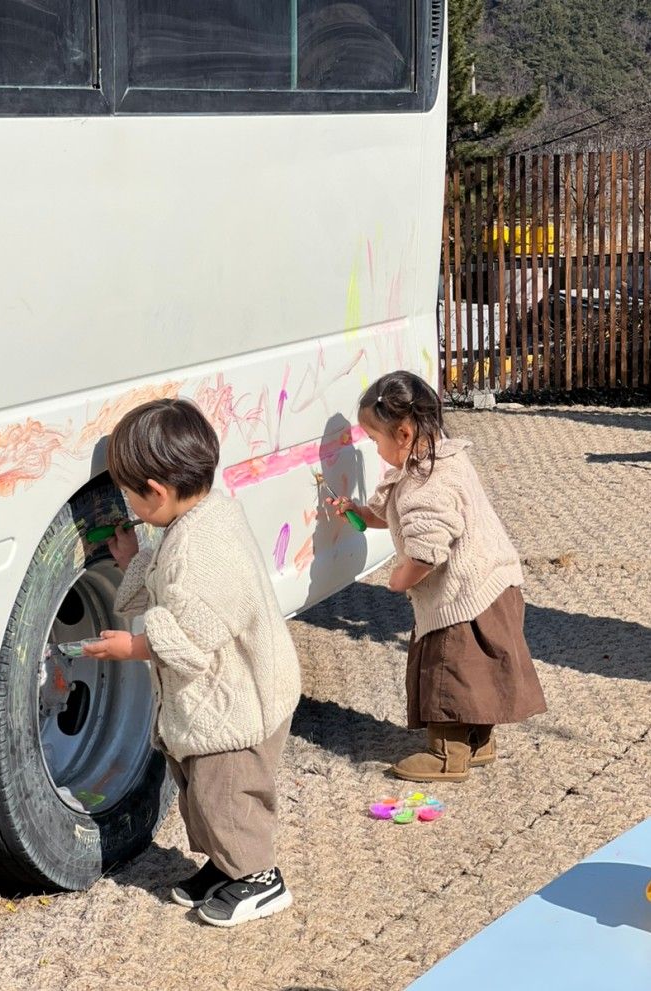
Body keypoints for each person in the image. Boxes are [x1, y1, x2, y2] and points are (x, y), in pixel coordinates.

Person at [84, 398, 301, 926]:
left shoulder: (202, 549)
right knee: (202, 794)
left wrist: (131, 647)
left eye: (133, 497)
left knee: (229, 796)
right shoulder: (201, 518)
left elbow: (190, 642)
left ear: (157, 491)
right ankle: (228, 866)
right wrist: (136, 562)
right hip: (220, 700)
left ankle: (260, 878)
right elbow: (168, 585)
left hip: (237, 707)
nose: (132, 508)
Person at [331, 371, 547, 782]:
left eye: (375, 440)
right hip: (494, 586)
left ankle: (448, 755)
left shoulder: (424, 486)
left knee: (446, 673)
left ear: (404, 433)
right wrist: (361, 513)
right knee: (479, 674)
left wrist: (401, 579)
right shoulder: (441, 458)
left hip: (462, 602)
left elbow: (427, 549)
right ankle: (479, 742)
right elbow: (400, 515)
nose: (375, 450)